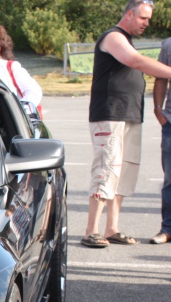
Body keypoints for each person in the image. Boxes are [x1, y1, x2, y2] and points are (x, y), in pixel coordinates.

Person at [83, 0, 171, 247]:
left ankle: (112, 228)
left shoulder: (126, 38)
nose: (147, 23)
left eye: (149, 19)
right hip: (110, 115)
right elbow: (136, 61)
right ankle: (92, 230)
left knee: (123, 173)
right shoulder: (113, 37)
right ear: (129, 14)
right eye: (143, 18)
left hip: (130, 114)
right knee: (106, 169)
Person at [152, 37, 171, 244]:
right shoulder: (168, 45)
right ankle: (167, 229)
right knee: (170, 180)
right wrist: (158, 109)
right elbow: (160, 78)